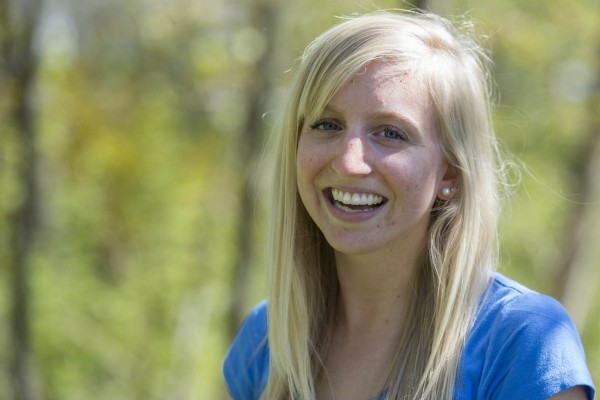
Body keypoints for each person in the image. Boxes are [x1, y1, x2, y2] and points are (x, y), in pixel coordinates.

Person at [222, 10, 596, 400]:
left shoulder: (521, 344)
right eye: (326, 124)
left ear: (450, 174)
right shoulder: (266, 342)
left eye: (390, 133)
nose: (350, 162)